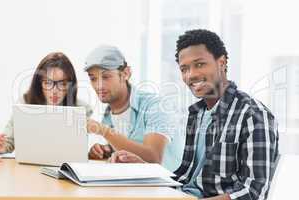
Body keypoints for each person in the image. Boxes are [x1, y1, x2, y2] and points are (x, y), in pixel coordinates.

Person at [109, 29, 279, 200]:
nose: (191, 75)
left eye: (199, 64)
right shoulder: (197, 114)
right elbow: (187, 179)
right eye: (184, 69)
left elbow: (253, 193)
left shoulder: (252, 114)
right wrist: (143, 167)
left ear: (222, 62)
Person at [84, 45, 184, 171]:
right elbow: (127, 152)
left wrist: (103, 131)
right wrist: (106, 150)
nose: (99, 86)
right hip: (134, 185)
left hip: (167, 188)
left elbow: (153, 157)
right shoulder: (108, 116)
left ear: (126, 73)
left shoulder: (156, 105)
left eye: (106, 77)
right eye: (93, 78)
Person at [0, 52, 92, 153]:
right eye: (48, 83)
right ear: (39, 83)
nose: (54, 91)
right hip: (29, 166)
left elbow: (77, 151)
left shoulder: (81, 109)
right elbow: (8, 141)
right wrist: (2, 146)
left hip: (65, 167)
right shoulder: (24, 103)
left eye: (62, 84)